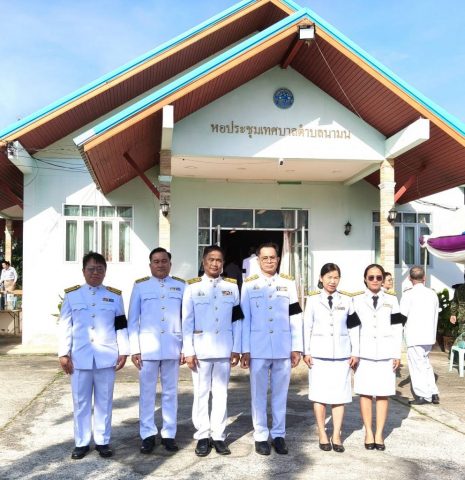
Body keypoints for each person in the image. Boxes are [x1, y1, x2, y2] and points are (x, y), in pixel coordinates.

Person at [58, 252, 129, 460]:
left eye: (100, 269)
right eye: (91, 269)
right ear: (83, 271)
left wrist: (124, 350)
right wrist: (63, 353)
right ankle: (81, 442)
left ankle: (102, 441)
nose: (95, 273)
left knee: (104, 401)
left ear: (105, 272)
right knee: (80, 402)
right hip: (80, 357)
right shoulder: (72, 295)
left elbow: (121, 326)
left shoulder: (115, 296)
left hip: (106, 357)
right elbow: (65, 326)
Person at [240, 242, 303, 456]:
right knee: (258, 394)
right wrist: (245, 349)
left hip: (282, 347)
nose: (269, 261)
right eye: (265, 258)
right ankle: (260, 436)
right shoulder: (249, 285)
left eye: (272, 257)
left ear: (278, 259)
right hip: (257, 347)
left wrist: (297, 347)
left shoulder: (288, 283)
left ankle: (278, 435)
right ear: (258, 260)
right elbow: (245, 319)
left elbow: (295, 316)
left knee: (280, 394)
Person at [182, 245, 243, 457]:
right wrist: (188, 350)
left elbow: (237, 320)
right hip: (200, 349)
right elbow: (186, 321)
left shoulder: (232, 287)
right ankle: (202, 435)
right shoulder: (192, 287)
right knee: (201, 393)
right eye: (211, 259)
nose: (215, 263)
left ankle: (218, 435)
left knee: (221, 394)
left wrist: (236, 348)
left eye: (218, 260)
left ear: (223, 263)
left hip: (224, 348)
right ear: (203, 262)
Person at [128, 247, 185, 454]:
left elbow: (186, 319)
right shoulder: (140, 286)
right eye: (156, 261)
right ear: (150, 264)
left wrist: (185, 347)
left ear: (170, 264)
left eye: (164, 261)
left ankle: (169, 434)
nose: (160, 264)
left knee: (170, 393)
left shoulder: (181, 286)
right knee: (147, 394)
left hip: (172, 346)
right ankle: (148, 434)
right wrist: (135, 349)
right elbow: (132, 320)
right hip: (147, 348)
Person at [303, 263, 360, 453]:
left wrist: (355, 351)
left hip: (342, 355)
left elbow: (354, 327)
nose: (332, 281)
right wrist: (306, 351)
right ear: (321, 278)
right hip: (318, 355)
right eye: (329, 277)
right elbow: (307, 327)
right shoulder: (312, 300)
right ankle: (322, 432)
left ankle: (336, 435)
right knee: (319, 396)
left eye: (336, 277)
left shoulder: (347, 300)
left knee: (339, 397)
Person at [352, 264, 405, 451]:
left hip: (385, 353)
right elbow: (353, 329)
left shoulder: (392, 299)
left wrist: (396, 353)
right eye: (371, 277)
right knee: (365, 393)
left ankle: (379, 433)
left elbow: (397, 328)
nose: (375, 280)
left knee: (383, 394)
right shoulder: (356, 300)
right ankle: (368, 432)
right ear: (365, 279)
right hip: (364, 354)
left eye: (379, 277)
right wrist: (355, 352)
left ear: (383, 280)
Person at [400, 266, 439, 405]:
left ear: (409, 278)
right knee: (425, 364)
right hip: (429, 335)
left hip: (415, 336)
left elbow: (402, 316)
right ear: (424, 278)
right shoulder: (432, 294)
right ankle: (433, 393)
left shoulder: (408, 294)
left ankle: (423, 395)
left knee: (417, 366)